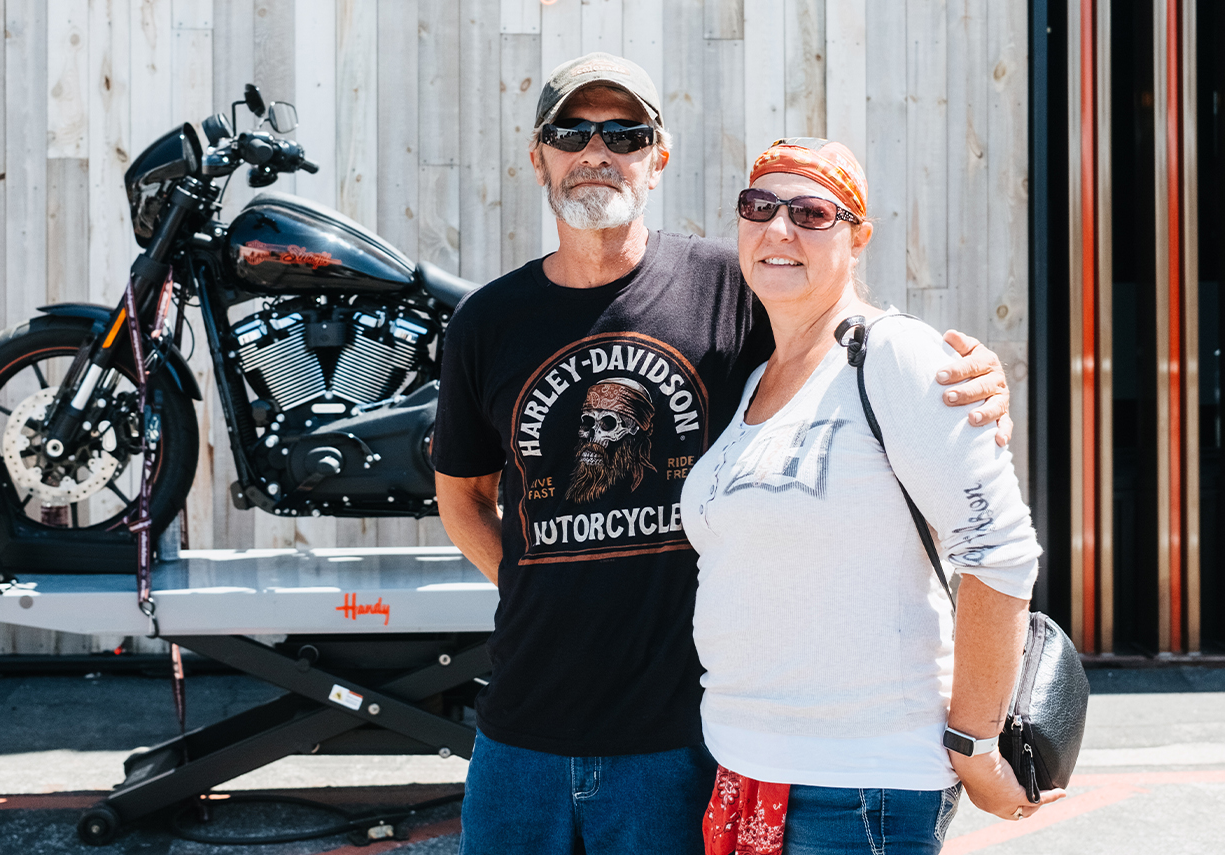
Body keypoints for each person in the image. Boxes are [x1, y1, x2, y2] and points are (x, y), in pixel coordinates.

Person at [433, 53, 1015, 855]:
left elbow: (836, 326)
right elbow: (462, 494)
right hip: (520, 730)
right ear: (539, 155)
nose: (596, 150)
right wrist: (536, 584)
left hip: (680, 739)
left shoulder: (733, 283)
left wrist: (966, 376)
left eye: (625, 132)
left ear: (658, 157)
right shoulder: (486, 322)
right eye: (572, 131)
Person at [681, 139, 1060, 855]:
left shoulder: (894, 356)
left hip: (857, 786)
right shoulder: (754, 377)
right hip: (744, 769)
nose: (779, 228)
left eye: (812, 211)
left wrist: (974, 744)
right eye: (759, 206)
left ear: (858, 236)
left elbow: (999, 551)